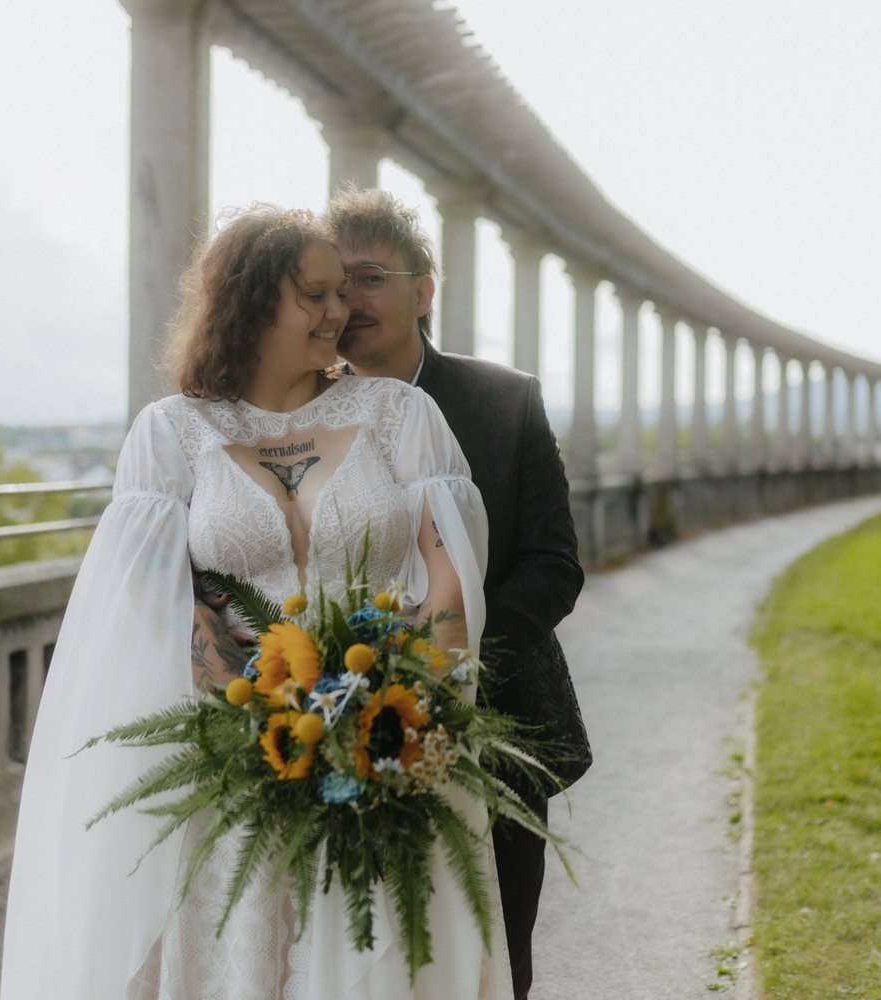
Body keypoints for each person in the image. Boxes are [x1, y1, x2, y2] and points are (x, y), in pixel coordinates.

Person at [0, 205, 513, 998]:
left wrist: (402, 710)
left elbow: (448, 573)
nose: (338, 312)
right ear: (250, 299)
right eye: (315, 294)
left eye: (343, 292)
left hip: (389, 752)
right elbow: (152, 608)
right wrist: (269, 728)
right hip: (233, 763)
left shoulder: (400, 414)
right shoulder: (171, 434)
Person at [325, 186, 592, 1000]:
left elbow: (554, 565)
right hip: (336, 730)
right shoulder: (300, 412)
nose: (347, 302)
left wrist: (442, 660)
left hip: (498, 725)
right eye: (331, 287)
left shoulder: (504, 400)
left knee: (495, 957)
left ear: (424, 290)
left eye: (368, 278)